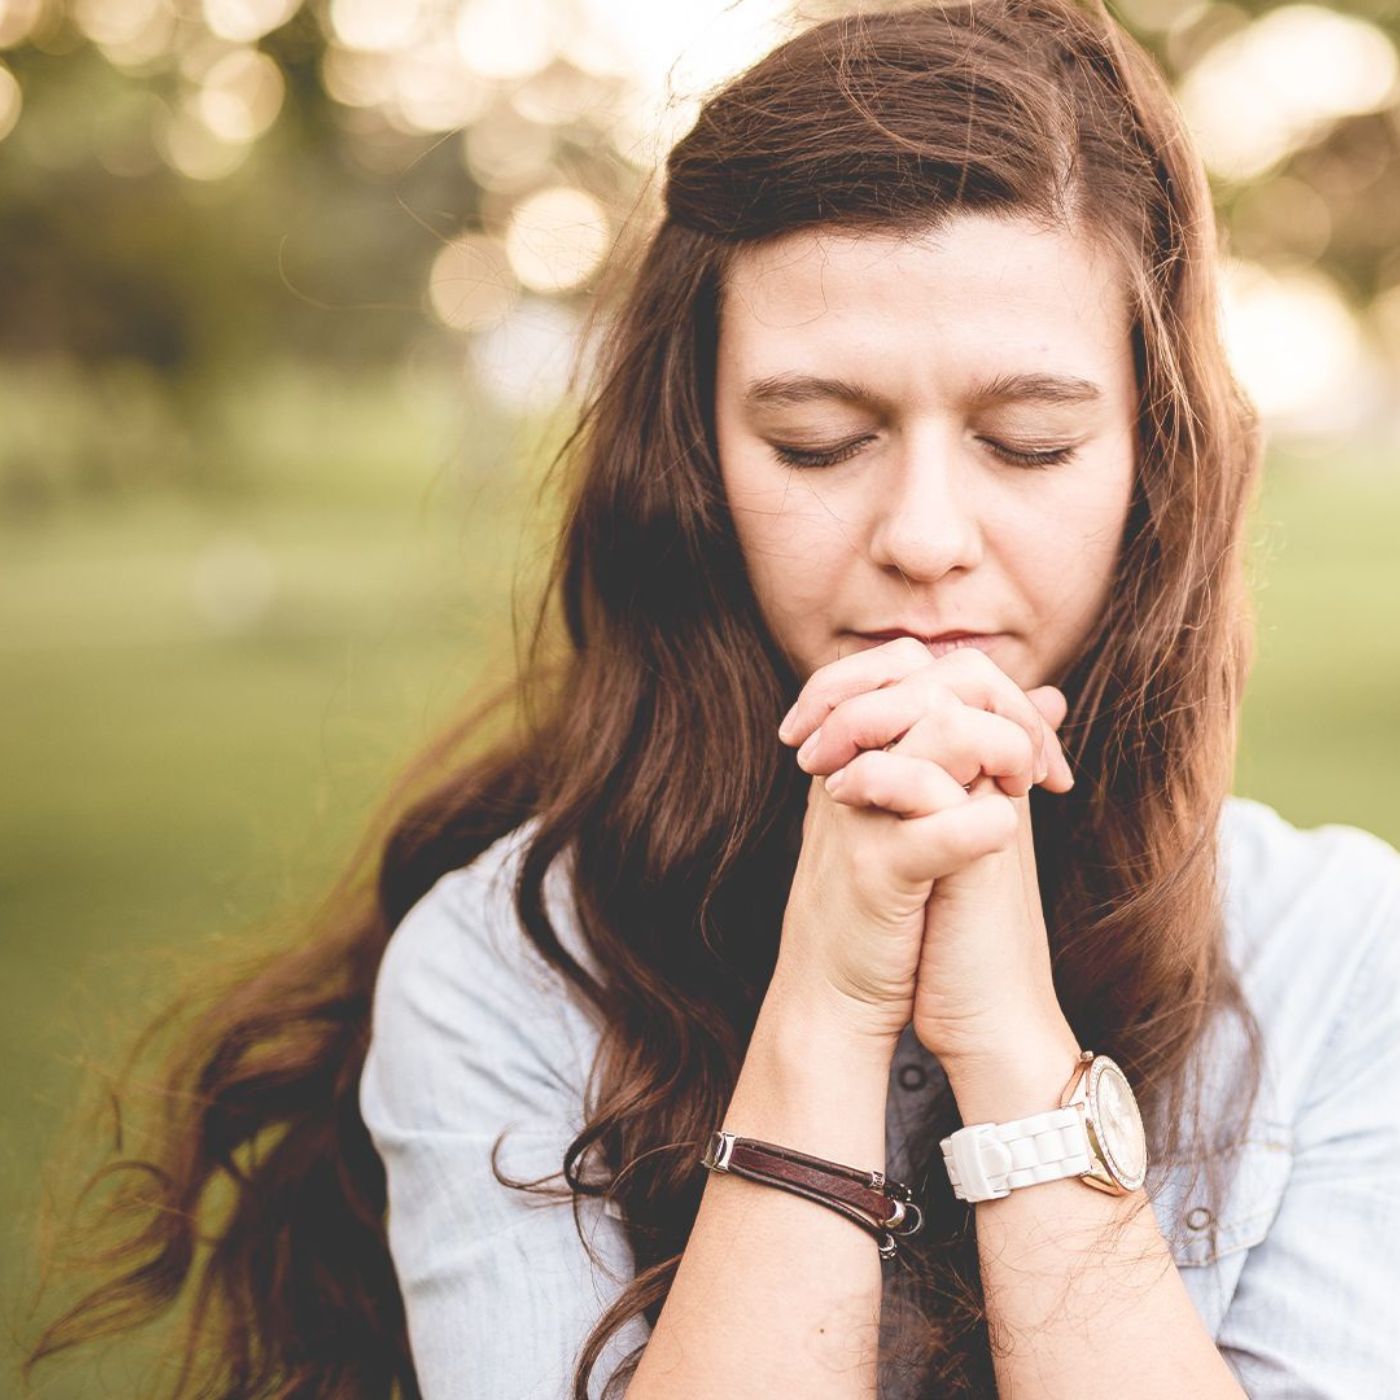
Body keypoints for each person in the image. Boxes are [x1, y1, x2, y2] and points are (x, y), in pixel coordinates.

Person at [23, 1, 1400, 1397]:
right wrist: (831, 997)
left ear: (1153, 464)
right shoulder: (503, 981)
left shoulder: (1342, 962)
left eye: (1027, 443)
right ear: (694, 464)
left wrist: (1009, 1044)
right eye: (817, 442)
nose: (925, 534)